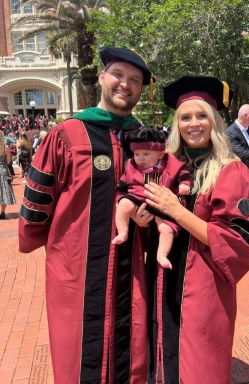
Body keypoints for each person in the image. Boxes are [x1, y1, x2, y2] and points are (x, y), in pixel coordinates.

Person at [19, 47, 155, 384]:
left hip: (131, 266)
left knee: (131, 351)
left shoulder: (146, 140)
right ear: (103, 78)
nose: (125, 85)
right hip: (76, 270)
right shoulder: (67, 134)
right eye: (119, 76)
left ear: (141, 90)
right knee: (78, 353)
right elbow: (38, 201)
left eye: (135, 80)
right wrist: (53, 246)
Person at [145, 76, 249, 384]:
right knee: (161, 359)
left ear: (214, 121)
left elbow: (242, 240)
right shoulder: (166, 166)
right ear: (177, 124)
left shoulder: (231, 169)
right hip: (162, 280)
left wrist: (176, 210)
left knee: (200, 364)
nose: (193, 124)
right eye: (185, 117)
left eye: (202, 116)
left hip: (204, 285)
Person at [112, 127, 192, 269]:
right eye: (137, 154)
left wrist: (185, 185)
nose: (140, 158)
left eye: (146, 154)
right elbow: (122, 185)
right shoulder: (131, 166)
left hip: (163, 203)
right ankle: (123, 232)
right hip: (137, 196)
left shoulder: (170, 163)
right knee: (124, 204)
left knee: (166, 229)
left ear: (160, 154)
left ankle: (162, 254)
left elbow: (183, 173)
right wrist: (120, 198)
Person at [0, 131, 16, 219]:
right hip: (3, 170)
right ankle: (2, 212)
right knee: (3, 191)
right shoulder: (6, 148)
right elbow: (9, 161)